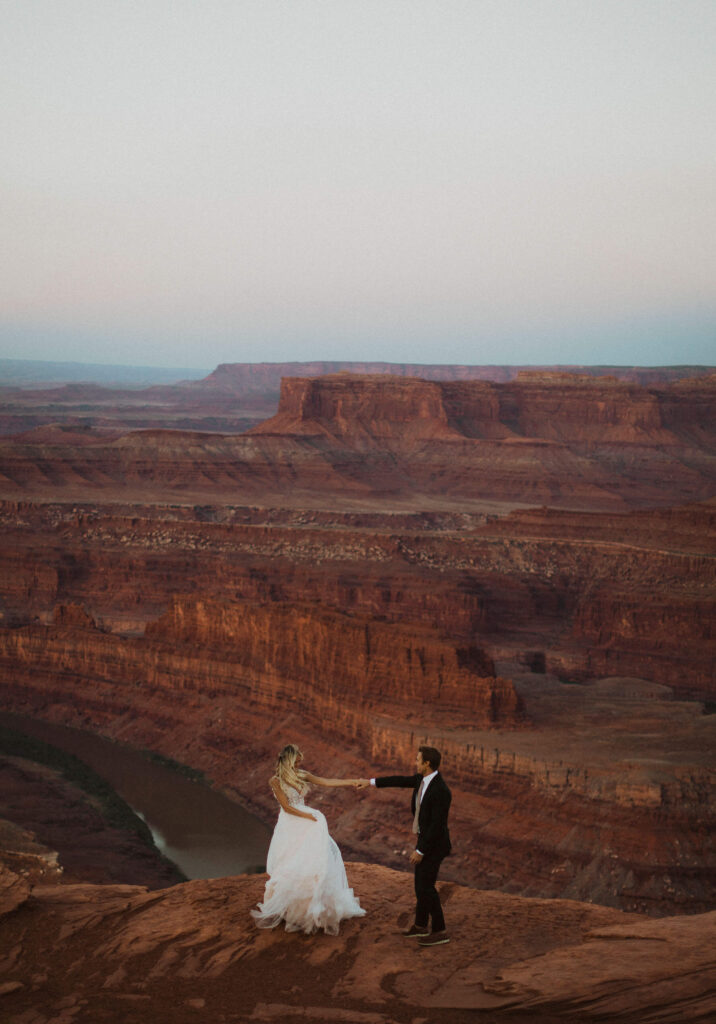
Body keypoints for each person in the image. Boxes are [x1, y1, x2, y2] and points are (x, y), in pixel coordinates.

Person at [251, 743, 365, 935]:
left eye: (299, 762)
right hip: (291, 823)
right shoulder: (275, 781)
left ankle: (310, 908)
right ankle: (291, 908)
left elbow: (327, 782)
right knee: (291, 864)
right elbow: (286, 807)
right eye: (296, 762)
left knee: (311, 862)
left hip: (306, 818)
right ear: (289, 760)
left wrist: (353, 781)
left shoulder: (302, 775)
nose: (298, 765)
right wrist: (308, 817)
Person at [358, 745, 452, 946]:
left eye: (418, 760)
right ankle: (420, 925)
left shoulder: (441, 790)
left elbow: (437, 826)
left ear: (427, 763)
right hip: (425, 839)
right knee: (420, 885)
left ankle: (440, 930)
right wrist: (370, 783)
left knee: (426, 887)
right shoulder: (421, 780)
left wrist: (421, 850)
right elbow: (399, 780)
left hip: (435, 845)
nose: (415, 763)